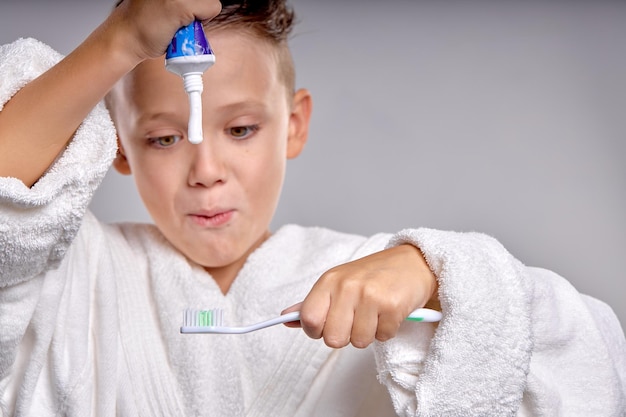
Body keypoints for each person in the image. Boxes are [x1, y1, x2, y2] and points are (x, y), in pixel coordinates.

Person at [0, 0, 624, 416]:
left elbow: (591, 363)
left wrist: (436, 273)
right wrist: (118, 43)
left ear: (294, 125)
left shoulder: (379, 280)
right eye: (164, 139)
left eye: (241, 129)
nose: (206, 171)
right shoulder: (73, 278)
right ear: (118, 147)